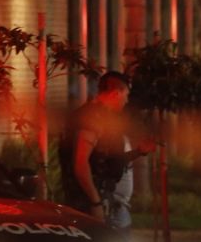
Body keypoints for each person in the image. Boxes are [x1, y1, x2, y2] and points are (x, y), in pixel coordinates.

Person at [60, 71, 154, 230]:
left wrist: (139, 151)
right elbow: (80, 163)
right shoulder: (92, 118)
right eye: (126, 95)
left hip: (106, 202)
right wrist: (95, 202)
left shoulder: (104, 118)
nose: (126, 100)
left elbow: (107, 161)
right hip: (91, 204)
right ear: (117, 93)